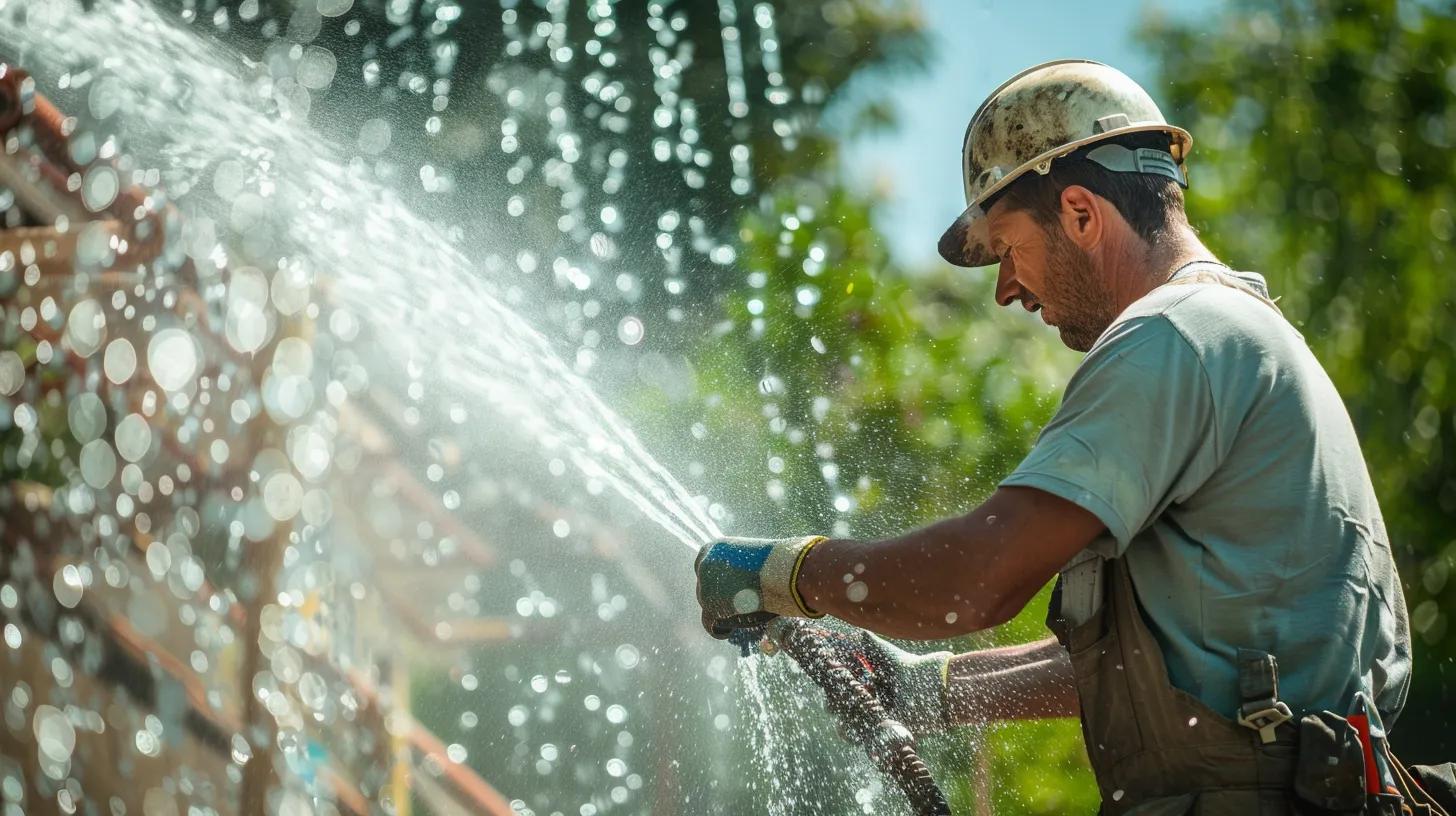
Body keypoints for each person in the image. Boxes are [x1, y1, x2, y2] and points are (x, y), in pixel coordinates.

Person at [694, 60, 1424, 814]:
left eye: (1008, 247)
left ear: (1079, 212)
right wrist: (930, 688)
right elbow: (1179, 665)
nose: (1006, 289)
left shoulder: (1172, 336)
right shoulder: (1243, 334)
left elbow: (976, 580)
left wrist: (788, 572)